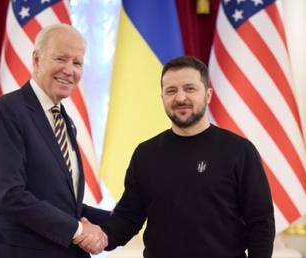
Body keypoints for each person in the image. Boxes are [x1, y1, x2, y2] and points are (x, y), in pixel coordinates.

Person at [101, 56, 275, 258]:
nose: (180, 98)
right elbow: (129, 217)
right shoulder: (145, 154)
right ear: (163, 98)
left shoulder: (240, 151)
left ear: (208, 95)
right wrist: (99, 236)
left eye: (190, 88)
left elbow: (261, 223)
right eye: (171, 91)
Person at [0, 24, 110, 258]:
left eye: (77, 63)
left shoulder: (64, 121)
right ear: (36, 59)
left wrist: (126, 219)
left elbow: (63, 205)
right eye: (61, 58)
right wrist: (79, 231)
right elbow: (9, 195)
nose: (70, 70)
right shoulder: (7, 111)